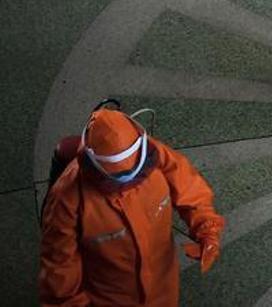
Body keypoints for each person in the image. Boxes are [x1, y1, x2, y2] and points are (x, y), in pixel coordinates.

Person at [39, 106, 224, 306]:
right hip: (110, 299)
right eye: (120, 178)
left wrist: (207, 230)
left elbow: (191, 190)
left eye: (137, 171)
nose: (130, 183)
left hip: (164, 289)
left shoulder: (157, 154)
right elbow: (60, 265)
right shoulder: (66, 198)